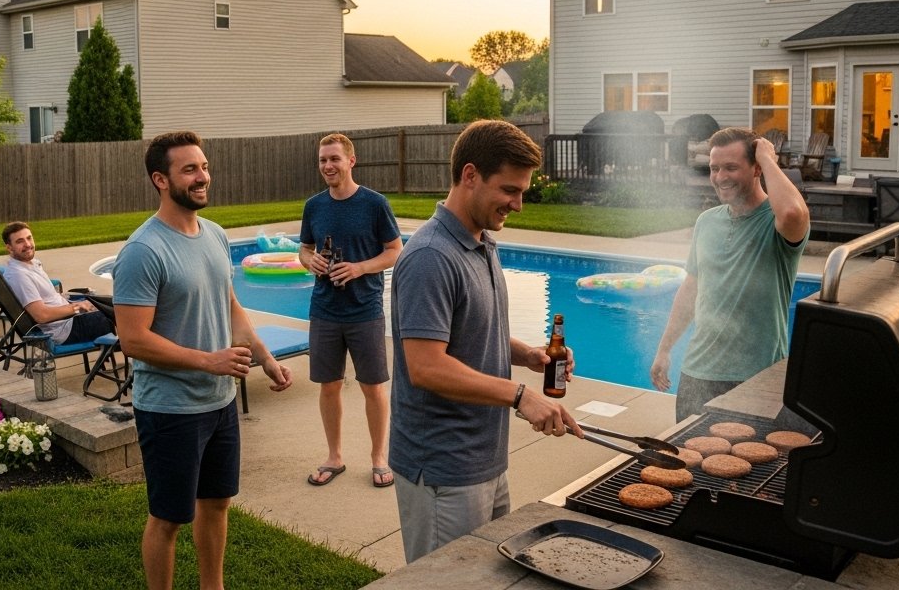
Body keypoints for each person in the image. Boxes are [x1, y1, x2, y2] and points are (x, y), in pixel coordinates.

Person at [389, 119, 579, 563]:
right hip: (444, 468)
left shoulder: (480, 242)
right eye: (510, 190)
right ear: (470, 175)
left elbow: (474, 331)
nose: (518, 204)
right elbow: (426, 366)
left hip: (485, 460)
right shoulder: (431, 257)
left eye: (522, 192)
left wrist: (528, 355)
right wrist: (519, 396)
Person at [112, 130, 294, 590]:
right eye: (189, 169)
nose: (202, 176)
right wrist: (208, 362)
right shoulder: (142, 251)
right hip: (170, 409)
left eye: (204, 166)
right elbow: (132, 340)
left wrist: (266, 358)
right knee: (168, 519)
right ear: (160, 179)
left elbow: (229, 305)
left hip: (219, 404)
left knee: (215, 505)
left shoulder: (214, 234)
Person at [649, 127, 810, 421]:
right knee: (688, 460)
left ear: (756, 169)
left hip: (755, 377)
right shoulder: (707, 221)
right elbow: (691, 289)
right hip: (697, 372)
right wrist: (664, 349)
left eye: (731, 167)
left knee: (750, 464)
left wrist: (768, 157)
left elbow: (793, 214)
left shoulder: (774, 222)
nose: (720, 176)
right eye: (714, 168)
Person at [298, 133, 403, 489]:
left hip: (365, 310)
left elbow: (394, 250)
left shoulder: (374, 204)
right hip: (324, 310)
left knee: (372, 387)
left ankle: (378, 458)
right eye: (323, 160)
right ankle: (334, 457)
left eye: (334, 159)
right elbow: (304, 248)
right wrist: (309, 261)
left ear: (350, 161)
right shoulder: (314, 206)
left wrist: (359, 268)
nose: (328, 166)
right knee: (328, 386)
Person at [0, 221, 113, 346]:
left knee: (109, 304)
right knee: (123, 314)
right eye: (19, 241)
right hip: (64, 330)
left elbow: (47, 300)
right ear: (9, 247)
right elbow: (41, 316)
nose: (27, 244)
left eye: (29, 238)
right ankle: (134, 358)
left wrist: (72, 300)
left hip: (67, 319)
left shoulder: (30, 264)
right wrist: (77, 307)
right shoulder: (19, 275)